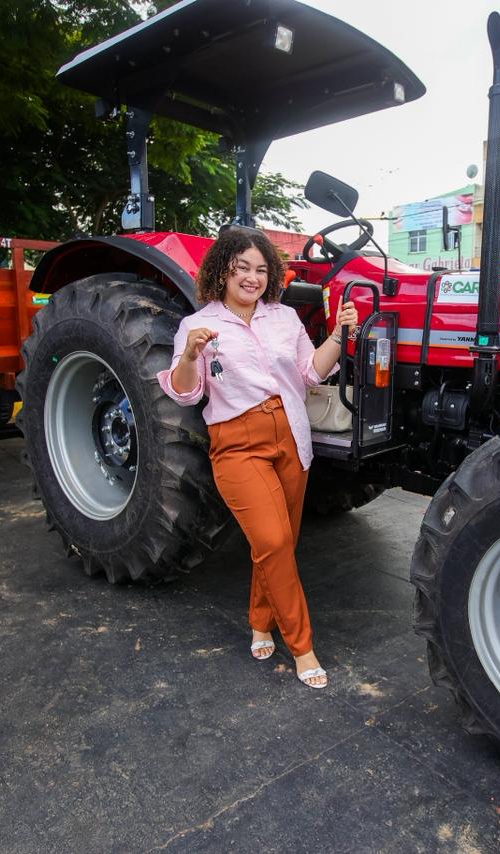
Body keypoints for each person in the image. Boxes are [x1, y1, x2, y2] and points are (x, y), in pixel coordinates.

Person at [157, 227, 359, 689]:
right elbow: (186, 392)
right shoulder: (197, 325)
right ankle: (302, 646)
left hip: (291, 435)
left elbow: (310, 373)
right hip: (237, 442)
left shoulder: (285, 318)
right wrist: (189, 356)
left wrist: (338, 334)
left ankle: (259, 622)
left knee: (278, 545)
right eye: (242, 267)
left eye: (261, 270)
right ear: (222, 270)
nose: (252, 277)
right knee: (272, 539)